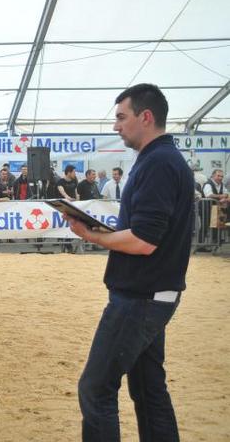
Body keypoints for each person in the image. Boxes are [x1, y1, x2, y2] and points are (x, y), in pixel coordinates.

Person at [66, 83, 192, 442]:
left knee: (95, 389)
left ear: (146, 117)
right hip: (153, 293)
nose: (116, 126)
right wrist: (102, 232)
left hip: (140, 297)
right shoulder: (161, 160)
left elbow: (144, 240)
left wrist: (93, 236)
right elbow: (145, 233)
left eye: (121, 117)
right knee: (149, 390)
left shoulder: (159, 163)